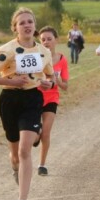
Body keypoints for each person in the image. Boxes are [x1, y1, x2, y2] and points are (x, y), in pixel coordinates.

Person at [0, 7, 54, 200]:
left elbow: (50, 77)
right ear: (15, 28)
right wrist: (9, 81)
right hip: (10, 100)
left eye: (30, 21)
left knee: (24, 150)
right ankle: (16, 169)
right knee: (15, 155)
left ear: (35, 25)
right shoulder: (7, 51)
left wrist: (48, 83)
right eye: (22, 23)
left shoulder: (43, 51)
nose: (27, 25)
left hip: (32, 99)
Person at [37, 26, 69, 177]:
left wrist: (56, 81)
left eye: (49, 39)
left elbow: (66, 87)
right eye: (43, 39)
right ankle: (35, 135)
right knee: (36, 133)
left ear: (56, 40)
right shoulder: (36, 57)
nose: (46, 42)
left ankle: (42, 165)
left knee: (46, 133)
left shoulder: (62, 60)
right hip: (35, 97)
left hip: (51, 98)